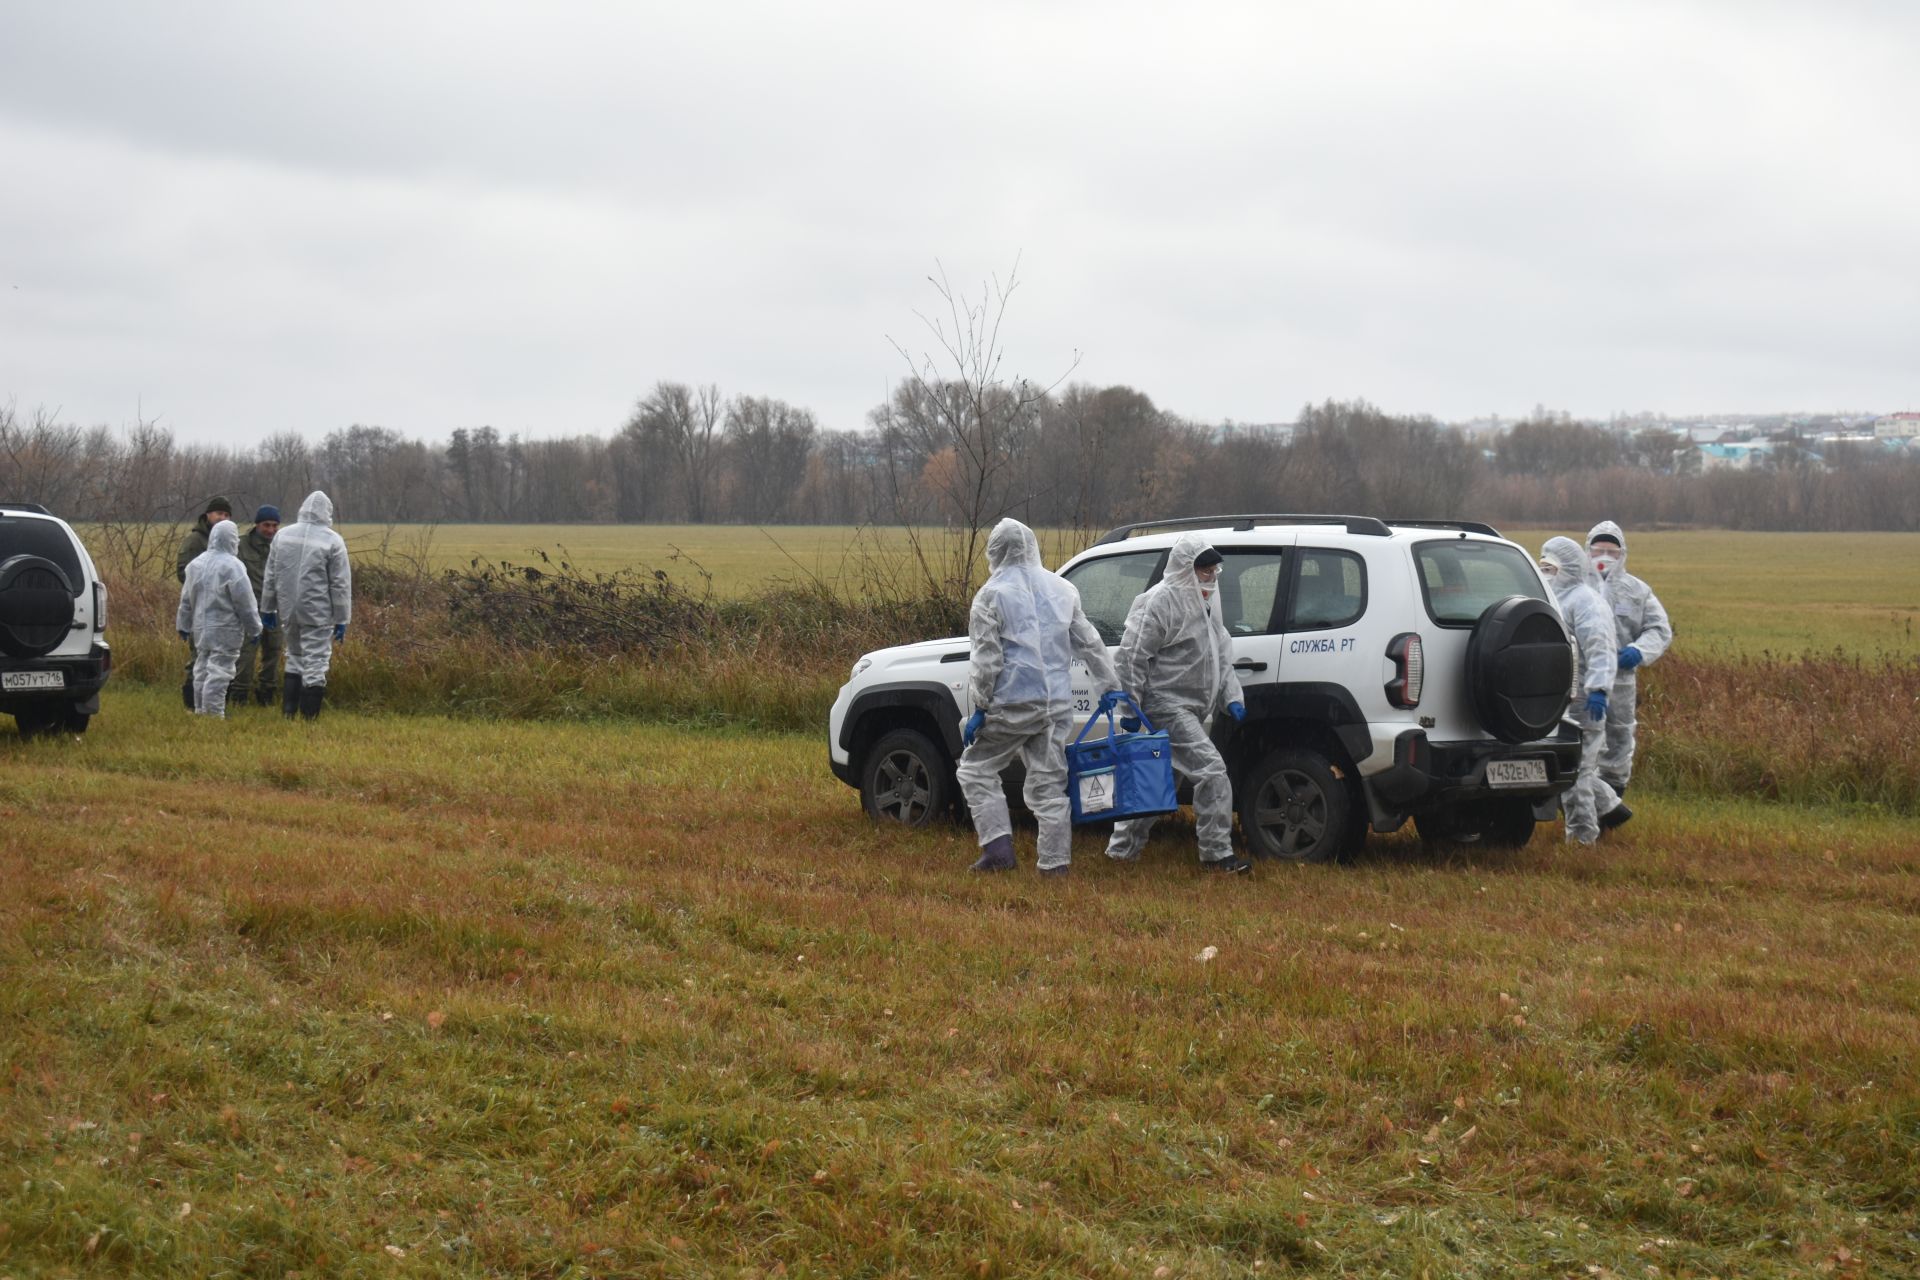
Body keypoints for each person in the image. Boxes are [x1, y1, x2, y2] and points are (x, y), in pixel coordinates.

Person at [956, 518, 1122, 876]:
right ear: (1032, 547)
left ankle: (998, 849)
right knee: (1049, 784)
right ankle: (1054, 865)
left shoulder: (990, 595)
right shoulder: (1062, 589)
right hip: (1055, 705)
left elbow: (987, 658)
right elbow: (1090, 643)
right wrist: (1109, 687)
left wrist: (980, 707)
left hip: (1012, 703)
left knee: (975, 769)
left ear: (995, 551)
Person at [1103, 533, 1252, 873]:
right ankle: (1217, 855)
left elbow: (1219, 654)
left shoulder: (1207, 603)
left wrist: (1232, 696)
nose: (1211, 577)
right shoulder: (1161, 601)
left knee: (1158, 782)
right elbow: (1131, 656)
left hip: (1193, 708)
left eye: (1214, 570)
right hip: (1165, 705)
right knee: (1212, 771)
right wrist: (1130, 708)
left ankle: (1121, 852)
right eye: (1204, 570)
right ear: (1185, 569)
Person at [1539, 536, 1623, 844]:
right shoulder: (1550, 597)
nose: (1546, 572)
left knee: (1576, 772)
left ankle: (1582, 839)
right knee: (1571, 766)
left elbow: (1600, 648)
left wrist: (1599, 688)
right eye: (1542, 566)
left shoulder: (1587, 602)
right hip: (1557, 701)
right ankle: (1613, 808)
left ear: (1569, 567)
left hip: (1586, 701)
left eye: (1551, 567)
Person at [1585, 521, 1672, 807]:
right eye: (1599, 549)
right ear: (1588, 550)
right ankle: (1585, 804)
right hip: (1581, 678)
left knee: (1620, 740)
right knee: (1581, 739)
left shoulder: (1637, 591)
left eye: (1612, 550)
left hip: (1621, 680)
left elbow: (1659, 629)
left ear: (1623, 553)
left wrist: (1638, 650)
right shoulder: (1577, 586)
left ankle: (1610, 803)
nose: (1605, 556)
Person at [261, 490, 352, 721]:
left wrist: (268, 607)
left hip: (287, 609)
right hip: (317, 612)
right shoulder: (332, 540)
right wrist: (342, 618)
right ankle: (309, 718)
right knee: (316, 661)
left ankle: (289, 713)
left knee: (294, 655)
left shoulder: (283, 536)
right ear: (327, 512)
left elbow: (271, 574)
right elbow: (339, 584)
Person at [175, 520, 263, 718]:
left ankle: (200, 709)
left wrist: (183, 624)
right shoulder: (233, 567)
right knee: (219, 671)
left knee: (202, 668)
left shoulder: (195, 565)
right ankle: (213, 713)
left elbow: (186, 600)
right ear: (232, 540)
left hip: (201, 628)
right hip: (226, 629)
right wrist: (255, 628)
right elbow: (245, 603)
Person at [173, 495, 233, 710]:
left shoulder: (227, 543)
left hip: (221, 611)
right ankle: (192, 703)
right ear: (208, 515)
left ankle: (213, 702)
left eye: (227, 515)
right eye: (219, 513)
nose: (222, 518)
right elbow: (184, 573)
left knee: (216, 660)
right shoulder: (196, 541)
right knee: (198, 658)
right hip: (199, 608)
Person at [233, 505, 282, 708]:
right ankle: (239, 695)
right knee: (246, 654)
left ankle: (266, 695)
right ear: (257, 524)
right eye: (266, 525)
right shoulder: (240, 546)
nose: (270, 530)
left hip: (275, 611)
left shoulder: (281, 546)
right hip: (248, 611)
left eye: (274, 526)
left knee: (273, 652)